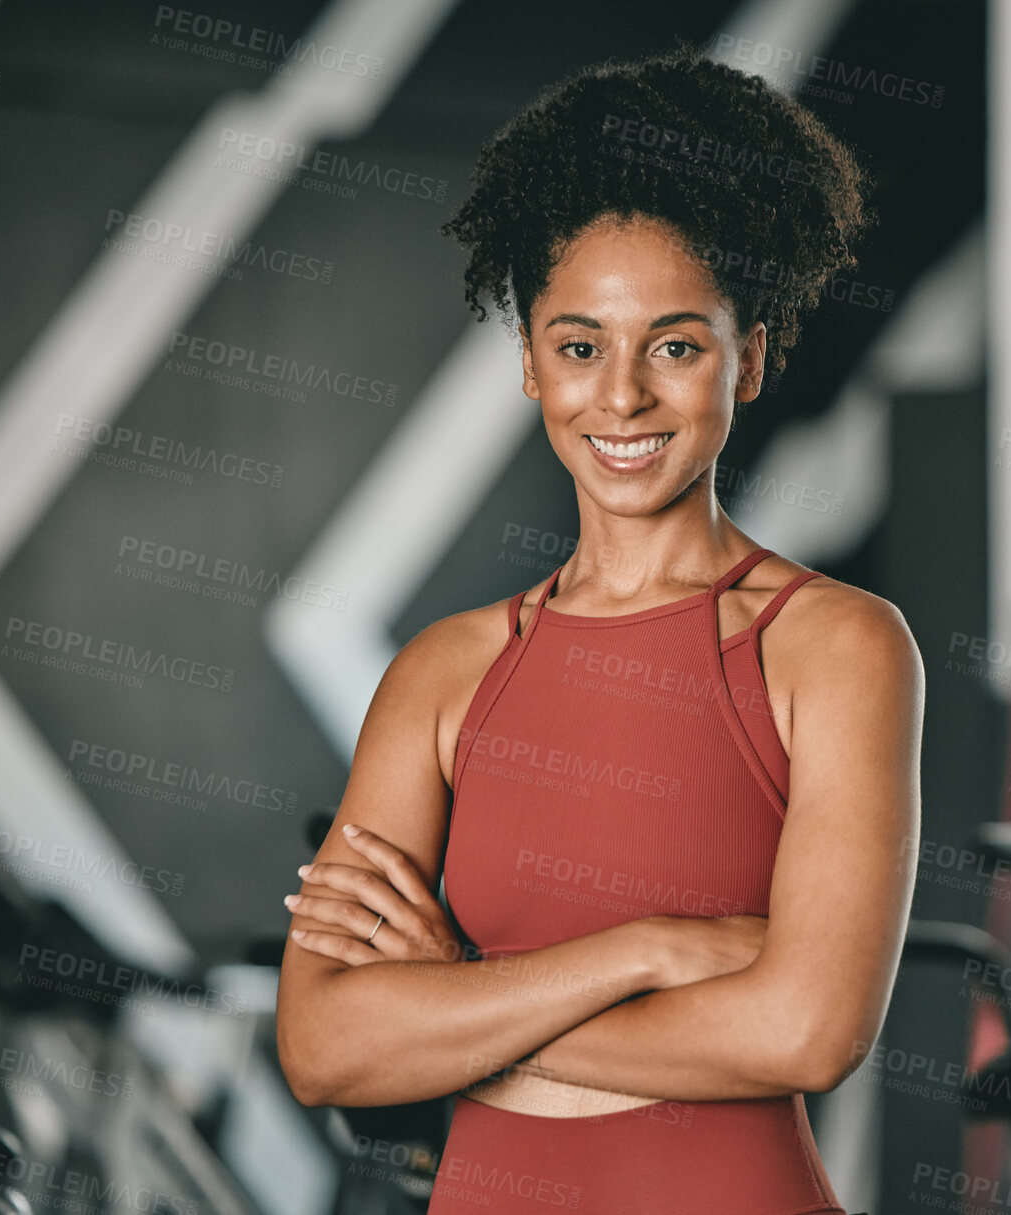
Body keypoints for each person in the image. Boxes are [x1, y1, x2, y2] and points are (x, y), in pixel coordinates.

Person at [275, 45, 923, 1214]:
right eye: (579, 347)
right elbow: (326, 1048)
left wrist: (459, 1002)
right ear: (529, 361)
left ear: (753, 356)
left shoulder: (835, 648)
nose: (619, 397)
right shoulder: (444, 674)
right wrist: (650, 951)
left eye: (674, 346)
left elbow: (806, 1033)